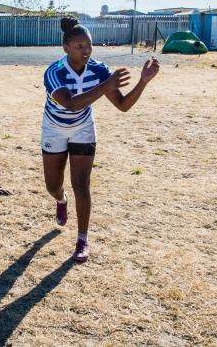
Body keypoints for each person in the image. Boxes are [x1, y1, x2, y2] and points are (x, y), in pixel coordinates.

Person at [42, 17, 159, 263]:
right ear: (65, 48)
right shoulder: (54, 72)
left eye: (89, 45)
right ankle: (61, 200)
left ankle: (82, 240)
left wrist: (143, 82)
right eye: (79, 46)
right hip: (54, 128)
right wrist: (106, 86)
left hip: (83, 128)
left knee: (81, 185)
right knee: (53, 186)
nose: (85, 51)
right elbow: (72, 104)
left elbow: (123, 105)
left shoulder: (98, 69)